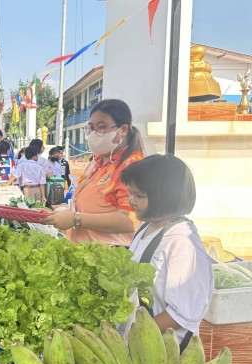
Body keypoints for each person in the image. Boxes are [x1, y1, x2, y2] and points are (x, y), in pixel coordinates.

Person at [121, 154, 213, 347]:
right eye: (130, 193)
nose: (131, 201)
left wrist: (137, 334)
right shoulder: (147, 227)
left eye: (139, 196)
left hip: (161, 348)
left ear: (165, 196)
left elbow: (181, 314)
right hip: (138, 338)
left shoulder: (182, 243)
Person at [40, 98, 145, 246]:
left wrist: (75, 219)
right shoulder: (98, 161)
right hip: (84, 250)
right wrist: (61, 212)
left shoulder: (131, 166)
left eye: (102, 127)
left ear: (123, 130)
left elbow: (130, 220)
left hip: (108, 256)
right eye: (91, 127)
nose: (94, 133)